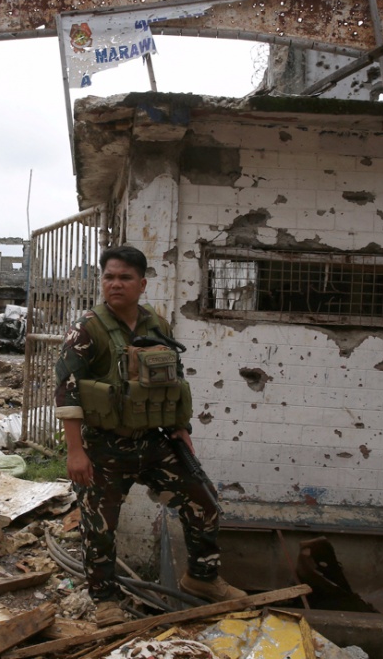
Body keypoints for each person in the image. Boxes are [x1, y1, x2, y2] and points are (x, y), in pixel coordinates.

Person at [54, 245, 245, 623]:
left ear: (141, 284)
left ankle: (202, 577)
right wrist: (75, 451)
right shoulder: (87, 329)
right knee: (100, 526)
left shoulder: (156, 324)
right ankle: (105, 599)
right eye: (109, 277)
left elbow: (171, 379)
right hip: (103, 447)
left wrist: (179, 428)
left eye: (125, 277)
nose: (115, 284)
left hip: (153, 442)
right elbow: (66, 390)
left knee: (203, 502)